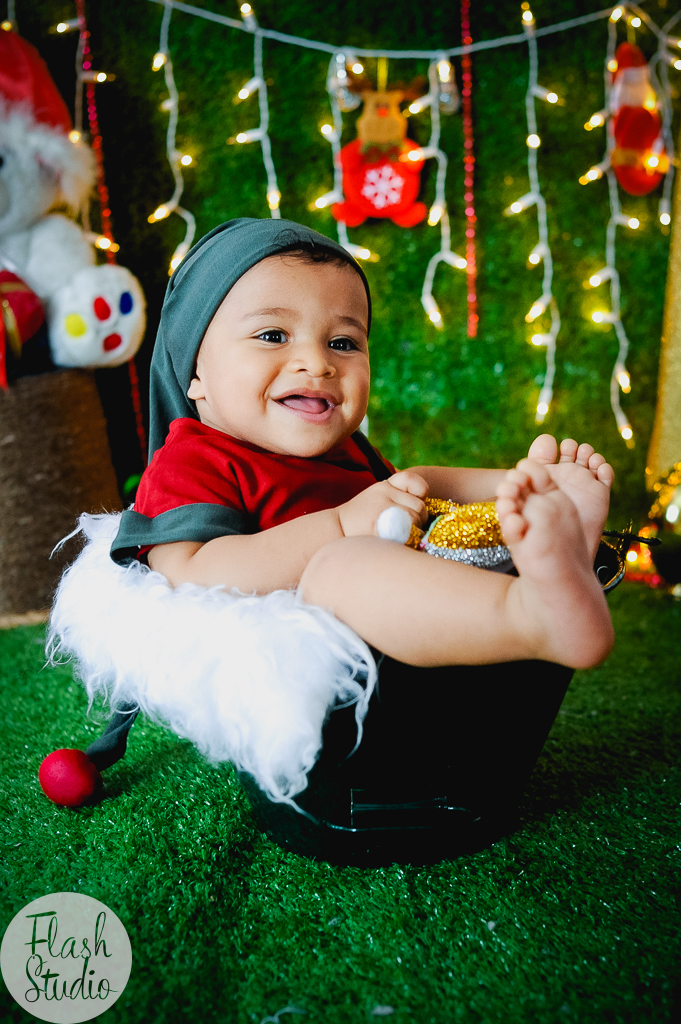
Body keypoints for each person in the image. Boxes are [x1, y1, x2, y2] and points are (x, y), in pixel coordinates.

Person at [114, 217, 614, 673]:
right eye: (272, 335)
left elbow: (416, 487)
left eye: (343, 343)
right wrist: (338, 526)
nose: (318, 362)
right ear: (194, 373)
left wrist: (519, 484)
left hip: (420, 612)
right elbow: (189, 576)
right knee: (339, 567)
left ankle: (555, 544)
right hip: (319, 659)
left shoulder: (348, 451)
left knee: (422, 496)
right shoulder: (192, 460)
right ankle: (533, 615)